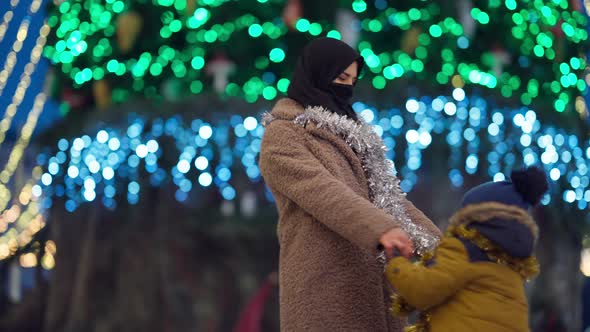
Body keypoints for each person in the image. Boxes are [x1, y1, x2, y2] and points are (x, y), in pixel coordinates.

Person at [259, 37, 441, 331]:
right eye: (341, 77)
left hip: (374, 283)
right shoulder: (282, 135)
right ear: (317, 72)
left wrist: (443, 250)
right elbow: (322, 191)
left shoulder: (355, 135)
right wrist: (382, 229)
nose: (346, 87)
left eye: (352, 80)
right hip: (323, 287)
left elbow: (390, 199)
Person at [385, 166, 548, 332]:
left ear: (470, 216)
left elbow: (423, 290)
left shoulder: (464, 250)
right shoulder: (512, 265)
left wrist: (396, 262)